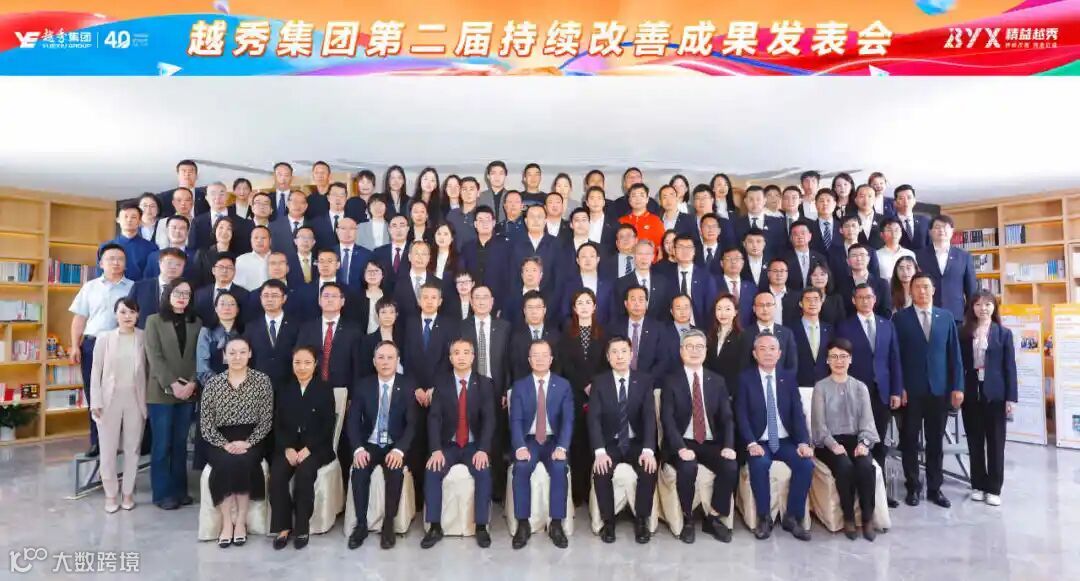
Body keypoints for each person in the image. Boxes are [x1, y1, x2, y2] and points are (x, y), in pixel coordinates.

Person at [893, 273, 964, 508]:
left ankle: (935, 488)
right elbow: (895, 357)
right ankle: (913, 486)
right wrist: (899, 387)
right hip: (911, 391)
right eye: (917, 287)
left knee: (935, 442)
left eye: (926, 286)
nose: (922, 291)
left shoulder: (946, 317)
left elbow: (954, 355)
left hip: (939, 390)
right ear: (910, 291)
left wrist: (957, 386)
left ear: (933, 290)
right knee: (909, 441)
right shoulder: (900, 318)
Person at [661, 329, 739, 544]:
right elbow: (667, 419)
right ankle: (687, 518)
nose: (694, 351)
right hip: (683, 442)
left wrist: (729, 445)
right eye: (689, 347)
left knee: (730, 466)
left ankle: (713, 517)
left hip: (711, 442)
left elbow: (727, 418)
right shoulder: (671, 381)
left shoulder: (717, 381)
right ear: (681, 351)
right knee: (688, 467)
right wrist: (680, 448)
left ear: (706, 350)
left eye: (699, 347)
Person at [737, 334, 815, 541]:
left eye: (772, 349)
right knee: (760, 464)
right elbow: (741, 415)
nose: (768, 353)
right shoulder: (745, 379)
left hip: (785, 440)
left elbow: (797, 414)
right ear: (755, 354)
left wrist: (803, 442)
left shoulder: (788, 378)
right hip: (759, 441)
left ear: (779, 354)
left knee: (806, 464)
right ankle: (764, 518)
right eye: (762, 349)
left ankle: (793, 517)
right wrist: (751, 443)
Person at [420, 339, 496, 549]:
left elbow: (489, 419)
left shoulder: (485, 384)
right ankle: (435, 526)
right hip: (449, 445)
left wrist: (483, 449)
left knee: (483, 470)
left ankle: (481, 526)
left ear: (473, 357)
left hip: (473, 445)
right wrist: (436, 449)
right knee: (432, 470)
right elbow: (434, 418)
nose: (461, 357)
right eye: (456, 353)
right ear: (450, 358)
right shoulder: (442, 382)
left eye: (466, 352)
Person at [200, 336, 273, 548]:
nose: (237, 357)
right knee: (224, 463)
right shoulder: (213, 384)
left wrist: (248, 442)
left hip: (252, 438)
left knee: (243, 461)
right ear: (224, 356)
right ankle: (226, 523)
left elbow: (266, 420)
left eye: (242, 352)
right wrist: (224, 444)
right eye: (232, 353)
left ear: (250, 354)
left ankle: (240, 522)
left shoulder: (262, 381)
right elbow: (206, 424)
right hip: (220, 439)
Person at [837, 283, 903, 508]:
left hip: (882, 392)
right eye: (861, 297)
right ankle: (859, 492)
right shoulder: (844, 326)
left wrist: (896, 390)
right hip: (854, 393)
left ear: (875, 300)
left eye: (869, 297)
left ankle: (880, 493)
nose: (865, 301)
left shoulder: (887, 325)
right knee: (857, 442)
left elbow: (894, 359)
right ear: (854, 300)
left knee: (878, 443)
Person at [347, 341, 418, 550]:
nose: (385, 362)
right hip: (370, 443)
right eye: (381, 357)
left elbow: (412, 424)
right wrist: (358, 449)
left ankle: (389, 523)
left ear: (397, 361)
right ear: (374, 361)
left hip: (394, 444)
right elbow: (352, 421)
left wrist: (399, 450)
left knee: (394, 471)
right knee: (359, 470)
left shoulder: (408, 385)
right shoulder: (363, 385)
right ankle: (361, 525)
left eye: (390, 358)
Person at [589, 336, 658, 544]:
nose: (619, 356)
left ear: (631, 354)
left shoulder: (644, 381)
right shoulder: (600, 382)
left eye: (624, 351)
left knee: (648, 469)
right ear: (608, 357)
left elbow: (649, 418)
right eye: (614, 352)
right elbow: (593, 419)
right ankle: (608, 522)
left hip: (636, 442)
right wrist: (599, 452)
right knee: (601, 471)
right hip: (611, 443)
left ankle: (642, 520)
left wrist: (648, 450)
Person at [812, 338, 881, 541]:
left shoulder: (860, 388)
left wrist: (864, 444)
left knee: (865, 466)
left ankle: (867, 519)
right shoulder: (821, 387)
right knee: (844, 466)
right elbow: (819, 426)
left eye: (843, 356)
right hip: (828, 443)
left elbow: (868, 423)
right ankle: (849, 518)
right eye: (834, 357)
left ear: (850, 359)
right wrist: (833, 445)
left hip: (856, 439)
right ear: (827, 360)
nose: (839, 361)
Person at [70, 243, 135, 456]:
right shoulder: (90, 287)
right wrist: (74, 345)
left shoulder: (133, 288)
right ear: (101, 263)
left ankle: (121, 441)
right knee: (94, 393)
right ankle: (97, 441)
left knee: (122, 393)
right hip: (93, 344)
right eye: (110, 259)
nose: (115, 263)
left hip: (124, 345)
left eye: (120, 259)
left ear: (125, 263)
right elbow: (80, 318)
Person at [269, 346, 336, 550]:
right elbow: (277, 424)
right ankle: (282, 527)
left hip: (317, 448)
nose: (302, 367)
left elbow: (328, 425)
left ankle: (301, 527)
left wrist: (309, 448)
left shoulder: (324, 389)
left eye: (307, 363)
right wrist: (287, 448)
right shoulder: (284, 388)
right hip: (289, 446)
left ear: (315, 364)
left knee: (304, 473)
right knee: (277, 474)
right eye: (297, 362)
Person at [509, 339, 574, 549]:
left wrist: (562, 447)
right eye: (535, 355)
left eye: (544, 355)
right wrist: (520, 447)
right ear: (529, 360)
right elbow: (515, 420)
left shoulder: (563, 385)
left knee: (559, 467)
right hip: (529, 440)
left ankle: (556, 524)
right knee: (521, 467)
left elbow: (568, 420)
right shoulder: (520, 386)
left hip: (553, 440)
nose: (540, 359)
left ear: (551, 359)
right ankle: (523, 524)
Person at [144, 278, 202, 510]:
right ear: (168, 294)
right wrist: (172, 383)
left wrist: (192, 383)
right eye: (178, 293)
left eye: (186, 294)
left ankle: (180, 491)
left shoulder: (196, 322)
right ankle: (162, 494)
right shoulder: (154, 321)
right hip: (161, 392)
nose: (182, 297)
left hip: (188, 391)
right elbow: (154, 356)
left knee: (180, 444)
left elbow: (198, 355)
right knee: (162, 444)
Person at [89, 298, 147, 513]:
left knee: (133, 448)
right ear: (115, 315)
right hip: (108, 400)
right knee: (108, 449)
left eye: (132, 312)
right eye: (123, 312)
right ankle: (110, 494)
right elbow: (96, 371)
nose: (127, 316)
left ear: (138, 315)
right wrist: (95, 401)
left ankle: (128, 492)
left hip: (135, 398)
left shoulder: (143, 337)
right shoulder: (104, 338)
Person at [959, 291, 1017, 507]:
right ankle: (977, 484)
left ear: (994, 307)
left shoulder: (1004, 334)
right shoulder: (964, 332)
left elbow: (1010, 367)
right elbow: (959, 364)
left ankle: (993, 488)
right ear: (972, 308)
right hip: (971, 390)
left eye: (987, 304)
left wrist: (1010, 398)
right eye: (978, 304)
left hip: (996, 393)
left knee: (995, 442)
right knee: (974, 440)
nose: (982, 309)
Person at [558, 289, 608, 504]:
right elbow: (565, 365)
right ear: (574, 308)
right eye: (580, 303)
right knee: (577, 443)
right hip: (574, 394)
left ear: (594, 306)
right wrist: (583, 384)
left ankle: (595, 491)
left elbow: (607, 363)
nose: (584, 306)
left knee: (595, 440)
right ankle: (578, 492)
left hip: (599, 393)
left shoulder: (604, 333)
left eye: (588, 302)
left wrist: (594, 385)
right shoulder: (566, 334)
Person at [194, 291, 244, 470]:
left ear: (238, 309)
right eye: (222, 304)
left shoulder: (244, 333)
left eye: (231, 304)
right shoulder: (206, 332)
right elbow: (202, 367)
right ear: (215, 308)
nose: (227, 308)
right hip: (212, 392)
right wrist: (222, 388)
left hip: (240, 393)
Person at [296, 282, 362, 389]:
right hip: (311, 387)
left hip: (341, 389)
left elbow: (357, 366)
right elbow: (299, 357)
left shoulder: (354, 330)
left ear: (342, 301)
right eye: (326, 296)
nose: (330, 300)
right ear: (319, 301)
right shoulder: (306, 328)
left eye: (334, 296)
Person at [916, 215, 977, 323]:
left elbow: (971, 289)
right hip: (927, 313)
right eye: (937, 227)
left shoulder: (964, 256)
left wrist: (970, 314)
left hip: (956, 314)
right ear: (930, 232)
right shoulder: (919, 256)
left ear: (952, 231)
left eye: (945, 227)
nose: (941, 230)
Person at [243, 279, 299, 386]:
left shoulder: (297, 326)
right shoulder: (251, 327)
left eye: (274, 296)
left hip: (289, 384)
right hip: (259, 385)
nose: (270, 299)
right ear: (260, 298)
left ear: (284, 298)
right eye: (266, 295)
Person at [128, 248, 187, 329]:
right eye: (169, 263)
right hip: (143, 333)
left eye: (178, 264)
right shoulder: (140, 287)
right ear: (159, 263)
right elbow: (128, 312)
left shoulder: (187, 291)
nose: (173, 267)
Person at [508, 291, 561, 380]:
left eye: (538, 307)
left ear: (544, 310)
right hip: (523, 384)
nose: (534, 312)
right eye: (530, 308)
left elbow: (558, 366)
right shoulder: (515, 336)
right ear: (524, 311)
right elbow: (514, 367)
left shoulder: (555, 335)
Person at [666, 234, 716, 327]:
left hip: (699, 328)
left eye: (689, 247)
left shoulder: (706, 277)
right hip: (671, 328)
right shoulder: (666, 276)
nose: (685, 251)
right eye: (680, 247)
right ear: (673, 251)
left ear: (694, 251)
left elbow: (711, 308)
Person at [100, 203, 156, 282]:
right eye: (125, 216)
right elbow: (100, 276)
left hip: (139, 288)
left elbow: (152, 277)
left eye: (133, 217)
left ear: (140, 222)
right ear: (118, 220)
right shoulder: (105, 247)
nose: (129, 220)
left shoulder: (151, 248)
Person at [791, 287, 833, 387]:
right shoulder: (790, 330)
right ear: (801, 304)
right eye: (808, 300)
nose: (812, 303)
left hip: (826, 384)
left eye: (816, 299)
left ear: (821, 302)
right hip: (799, 384)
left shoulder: (830, 330)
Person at [193, 254, 249, 329]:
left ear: (234, 271)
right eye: (221, 267)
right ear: (213, 270)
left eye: (229, 268)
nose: (224, 271)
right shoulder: (199, 294)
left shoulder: (244, 294)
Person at [836, 244, 891, 319]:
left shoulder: (882, 283)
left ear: (868, 259)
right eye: (854, 255)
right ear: (848, 261)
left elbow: (886, 311)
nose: (858, 259)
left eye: (862, 255)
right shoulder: (841, 284)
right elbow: (840, 312)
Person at [705, 294, 743, 392]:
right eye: (719, 309)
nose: (723, 313)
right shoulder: (709, 335)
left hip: (733, 391)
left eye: (727, 309)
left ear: (735, 312)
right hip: (711, 389)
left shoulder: (742, 337)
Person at [735, 186, 786, 252]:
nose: (755, 203)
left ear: (764, 201)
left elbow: (782, 247)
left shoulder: (778, 223)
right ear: (745, 201)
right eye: (751, 199)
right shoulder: (736, 223)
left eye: (758, 199)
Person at [146, 215, 197, 280]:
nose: (177, 231)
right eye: (174, 227)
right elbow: (147, 281)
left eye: (182, 228)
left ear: (188, 232)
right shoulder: (154, 257)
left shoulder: (196, 256)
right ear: (167, 230)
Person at [781, 221, 828, 291]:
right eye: (795, 234)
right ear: (791, 238)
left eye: (803, 233)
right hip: (792, 295)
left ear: (810, 236)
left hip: (815, 295)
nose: (800, 237)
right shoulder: (783, 259)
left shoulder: (820, 258)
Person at [192, 217, 237, 288]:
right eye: (221, 227)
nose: (224, 232)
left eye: (229, 229)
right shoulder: (202, 254)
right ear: (215, 230)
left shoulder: (237, 257)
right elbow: (195, 280)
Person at [336, 217, 373, 291]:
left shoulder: (367, 254)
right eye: (343, 228)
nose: (347, 232)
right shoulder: (330, 253)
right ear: (337, 231)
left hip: (359, 294)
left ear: (357, 231)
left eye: (352, 229)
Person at [807, 262, 846, 328]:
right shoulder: (804, 298)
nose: (819, 278)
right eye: (814, 275)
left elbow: (842, 324)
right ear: (810, 278)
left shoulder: (837, 299)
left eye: (822, 274)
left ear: (828, 276)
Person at [876, 217, 916, 283]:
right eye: (889, 230)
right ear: (882, 234)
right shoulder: (876, 255)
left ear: (901, 233)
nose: (893, 233)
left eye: (896, 230)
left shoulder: (910, 254)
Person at [446, 176, 481, 249]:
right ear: (460, 192)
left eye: (471, 189)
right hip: (455, 255)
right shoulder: (452, 214)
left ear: (478, 193)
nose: (468, 193)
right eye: (464, 189)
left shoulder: (483, 214)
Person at [234, 226, 273, 292]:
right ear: (251, 240)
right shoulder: (240, 261)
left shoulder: (279, 259)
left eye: (263, 238)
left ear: (270, 241)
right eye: (256, 238)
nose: (259, 241)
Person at [894, 185, 930, 251]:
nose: (906, 201)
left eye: (909, 197)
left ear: (914, 201)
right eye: (901, 198)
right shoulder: (890, 222)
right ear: (895, 203)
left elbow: (930, 245)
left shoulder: (925, 221)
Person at [851, 184, 885, 250]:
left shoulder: (884, 220)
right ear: (855, 199)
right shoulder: (849, 219)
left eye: (870, 196)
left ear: (875, 199)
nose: (866, 200)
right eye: (862, 196)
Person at [809, 189, 841, 256]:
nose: (825, 204)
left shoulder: (842, 226)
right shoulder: (808, 228)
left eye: (828, 201)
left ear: (834, 204)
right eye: (821, 201)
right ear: (816, 204)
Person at [359, 261, 387, 333]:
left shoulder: (389, 296)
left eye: (376, 271)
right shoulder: (356, 297)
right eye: (369, 271)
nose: (372, 274)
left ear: (382, 275)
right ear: (364, 274)